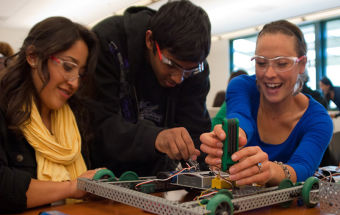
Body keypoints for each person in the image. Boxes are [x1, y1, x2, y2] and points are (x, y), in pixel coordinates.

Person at [200, 20, 333, 186]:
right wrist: (228, 140)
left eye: (282, 63)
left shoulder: (318, 120)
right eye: (261, 63)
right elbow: (241, 117)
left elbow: (303, 167)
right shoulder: (241, 86)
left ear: (301, 64)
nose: (269, 73)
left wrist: (270, 170)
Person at [91, 0, 212, 176]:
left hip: (156, 177)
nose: (178, 78)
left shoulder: (194, 66)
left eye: (188, 71)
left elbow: (195, 128)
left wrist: (209, 163)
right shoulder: (108, 42)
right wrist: (156, 137)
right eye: (171, 64)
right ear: (150, 40)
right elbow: (99, 125)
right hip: (103, 174)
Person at [0, 16, 101, 213]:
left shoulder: (77, 115)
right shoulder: (4, 110)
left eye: (80, 73)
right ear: (33, 57)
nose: (75, 83)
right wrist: (72, 187)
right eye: (68, 67)